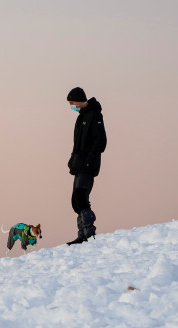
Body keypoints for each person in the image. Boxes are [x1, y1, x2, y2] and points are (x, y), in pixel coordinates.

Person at [66, 87, 107, 245]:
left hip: (88, 164)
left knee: (81, 197)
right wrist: (72, 160)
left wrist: (89, 160)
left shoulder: (94, 115)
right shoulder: (81, 117)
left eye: (72, 102)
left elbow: (100, 141)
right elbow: (77, 144)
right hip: (78, 164)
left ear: (79, 100)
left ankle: (89, 232)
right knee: (76, 200)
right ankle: (82, 233)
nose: (71, 106)